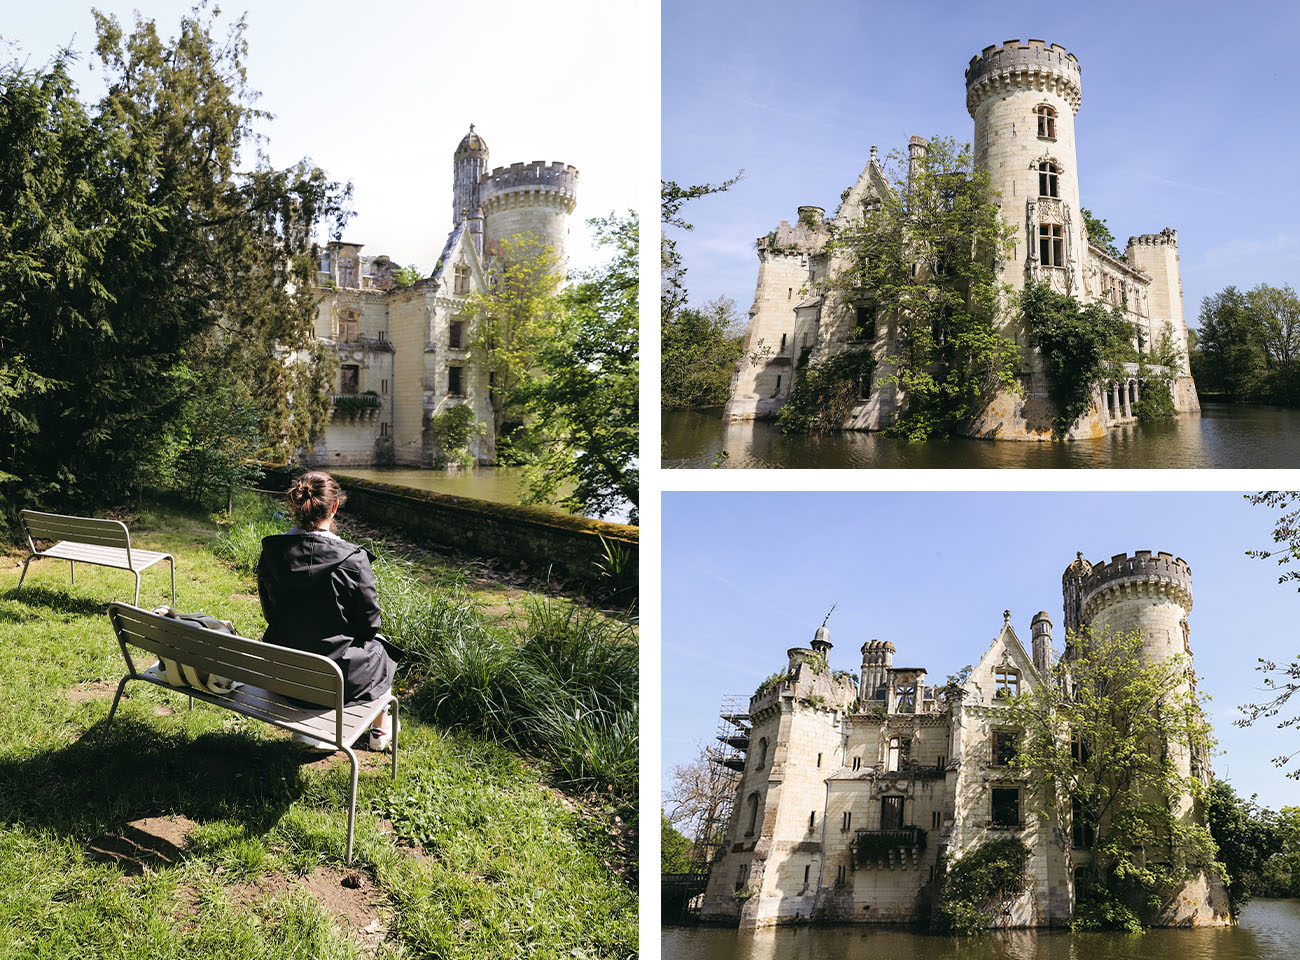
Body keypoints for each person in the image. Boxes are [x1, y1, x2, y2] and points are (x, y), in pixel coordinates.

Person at [257, 471, 396, 751]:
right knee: (381, 652)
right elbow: (371, 626)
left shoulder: (272, 551)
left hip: (282, 672)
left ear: (296, 507)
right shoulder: (353, 559)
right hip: (335, 678)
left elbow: (270, 613)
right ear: (334, 508)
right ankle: (379, 732)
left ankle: (309, 733)